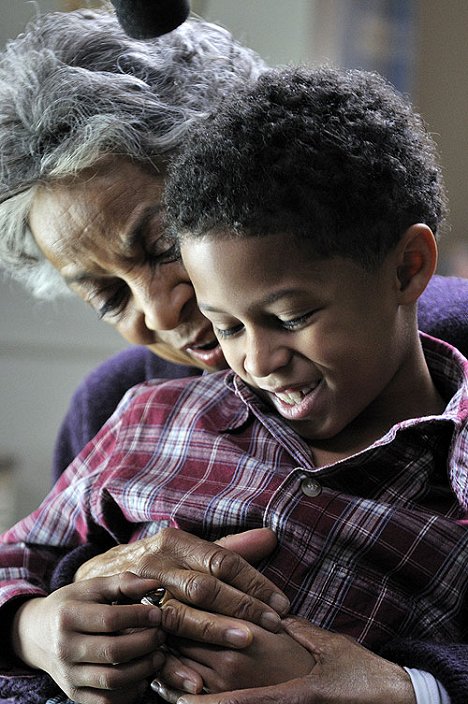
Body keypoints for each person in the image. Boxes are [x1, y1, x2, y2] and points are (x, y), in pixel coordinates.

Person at [1, 64, 467, 704]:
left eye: (162, 245)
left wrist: (410, 688)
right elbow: (25, 558)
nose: (254, 359)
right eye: (108, 294)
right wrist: (36, 626)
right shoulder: (143, 415)